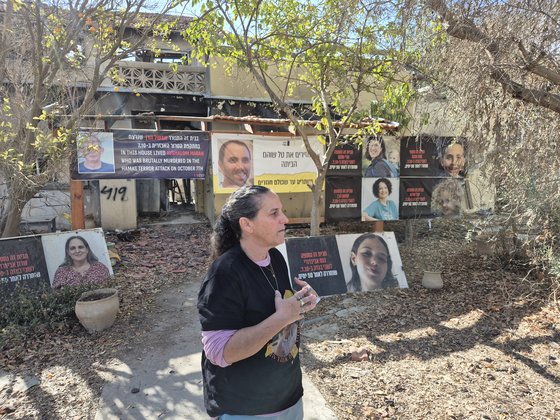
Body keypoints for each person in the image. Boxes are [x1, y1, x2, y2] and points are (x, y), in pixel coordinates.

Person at [198, 185, 319, 418]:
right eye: (274, 213)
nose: (285, 219)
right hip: (244, 408)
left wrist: (300, 305)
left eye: (281, 211)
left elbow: (282, 317)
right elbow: (220, 352)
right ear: (247, 224)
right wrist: (283, 317)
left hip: (288, 396)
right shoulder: (224, 274)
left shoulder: (275, 257)